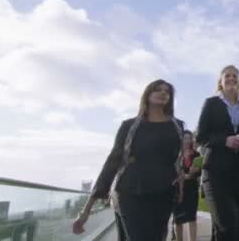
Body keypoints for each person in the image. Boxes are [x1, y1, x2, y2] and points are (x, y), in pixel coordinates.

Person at [72, 79, 185, 241]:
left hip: (164, 194)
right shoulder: (129, 126)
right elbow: (112, 162)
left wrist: (180, 181)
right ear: (147, 95)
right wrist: (86, 210)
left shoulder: (177, 126)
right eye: (157, 89)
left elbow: (178, 160)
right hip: (131, 192)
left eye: (166, 91)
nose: (162, 93)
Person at [196, 65, 239, 241]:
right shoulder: (211, 103)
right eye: (227, 76)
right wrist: (225, 140)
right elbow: (200, 136)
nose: (231, 79)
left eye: (235, 76)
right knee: (227, 225)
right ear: (221, 82)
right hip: (216, 172)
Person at [172, 130, 202, 241]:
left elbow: (199, 172)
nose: (188, 140)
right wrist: (184, 176)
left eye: (190, 138)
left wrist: (196, 170)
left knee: (191, 218)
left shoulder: (196, 154)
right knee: (178, 219)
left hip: (192, 189)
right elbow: (172, 173)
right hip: (178, 190)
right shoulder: (175, 155)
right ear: (181, 139)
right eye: (186, 138)